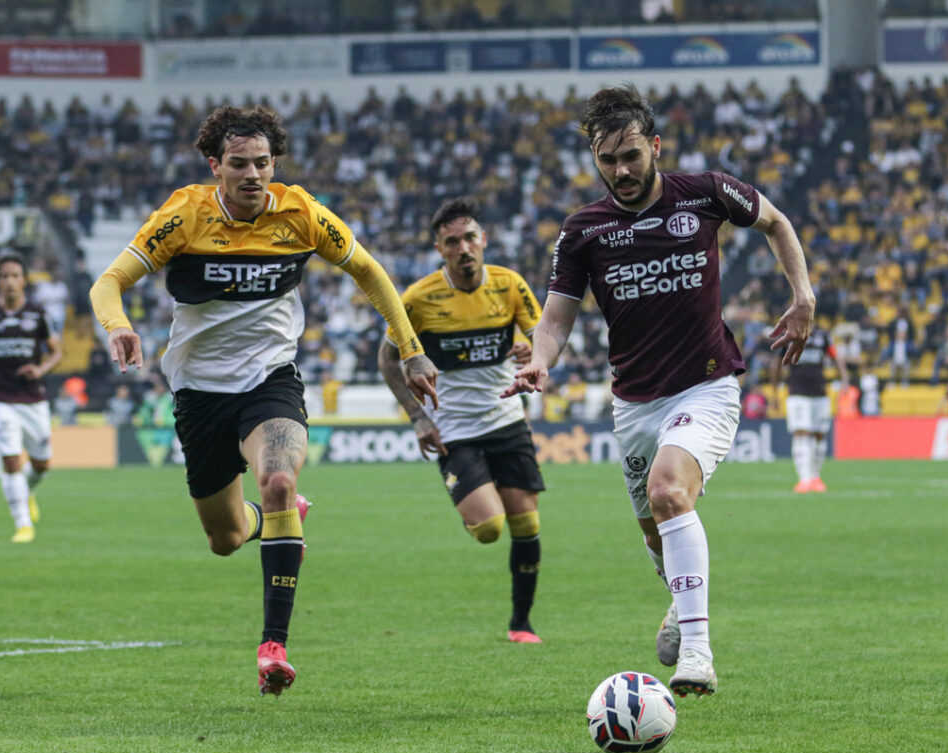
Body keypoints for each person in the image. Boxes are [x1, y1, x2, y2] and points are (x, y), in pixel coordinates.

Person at [89, 105, 438, 697]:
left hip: (269, 381)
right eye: (239, 164)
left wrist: (411, 350)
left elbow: (369, 271)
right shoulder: (184, 215)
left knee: (277, 479)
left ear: (274, 163)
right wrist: (117, 324)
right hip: (199, 394)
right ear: (215, 166)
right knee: (225, 538)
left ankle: (273, 646)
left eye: (262, 163)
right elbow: (109, 282)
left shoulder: (301, 213)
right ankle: (271, 518)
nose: (252, 174)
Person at [503, 85, 814, 699]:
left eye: (631, 156)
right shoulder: (584, 230)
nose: (621, 171)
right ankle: (680, 595)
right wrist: (539, 360)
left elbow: (776, 222)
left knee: (669, 491)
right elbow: (557, 320)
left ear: (656, 147)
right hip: (634, 403)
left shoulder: (705, 192)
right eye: (608, 160)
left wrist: (803, 295)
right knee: (655, 531)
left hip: (706, 385)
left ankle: (697, 654)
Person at [377, 197, 546, 644]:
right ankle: (472, 486)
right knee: (489, 529)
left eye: (470, 237)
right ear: (440, 249)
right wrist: (418, 418)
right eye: (452, 242)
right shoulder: (418, 298)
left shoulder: (509, 285)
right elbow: (387, 359)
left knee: (527, 524)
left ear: (484, 239)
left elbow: (544, 337)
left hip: (507, 418)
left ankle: (521, 624)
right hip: (454, 429)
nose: (463, 248)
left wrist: (533, 352)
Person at [0, 252, 63, 542]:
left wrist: (39, 369)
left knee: (42, 464)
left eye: (15, 276)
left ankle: (26, 491)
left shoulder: (37, 314)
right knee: (10, 461)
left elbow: (56, 352)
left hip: (33, 398)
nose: (9, 281)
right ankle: (23, 525)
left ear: (24, 281)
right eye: (4, 276)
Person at [772, 327, 849, 493]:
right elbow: (777, 363)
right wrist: (774, 392)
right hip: (797, 393)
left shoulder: (823, 336)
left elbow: (835, 357)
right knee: (801, 433)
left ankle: (815, 477)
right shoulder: (790, 335)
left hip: (820, 393)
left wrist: (844, 380)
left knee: (819, 435)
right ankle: (804, 479)